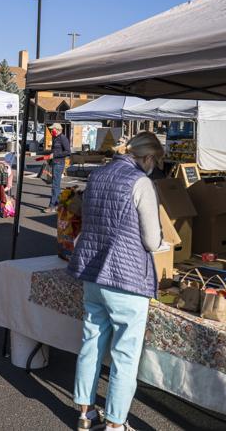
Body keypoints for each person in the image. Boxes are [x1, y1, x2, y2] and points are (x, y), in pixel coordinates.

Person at [68, 132, 164, 431]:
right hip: (126, 278)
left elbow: (87, 217)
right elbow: (151, 239)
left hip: (93, 273)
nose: (154, 167)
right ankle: (116, 423)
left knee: (91, 342)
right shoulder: (141, 182)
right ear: (148, 158)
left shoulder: (97, 175)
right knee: (125, 355)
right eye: (155, 161)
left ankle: (85, 413)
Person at [43, 123, 71, 213]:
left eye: (52, 129)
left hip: (59, 164)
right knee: (56, 185)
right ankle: (57, 205)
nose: (51, 131)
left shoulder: (63, 138)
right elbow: (54, 150)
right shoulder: (55, 138)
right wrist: (50, 159)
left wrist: (54, 155)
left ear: (58, 129)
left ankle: (52, 206)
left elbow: (67, 152)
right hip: (54, 163)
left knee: (55, 185)